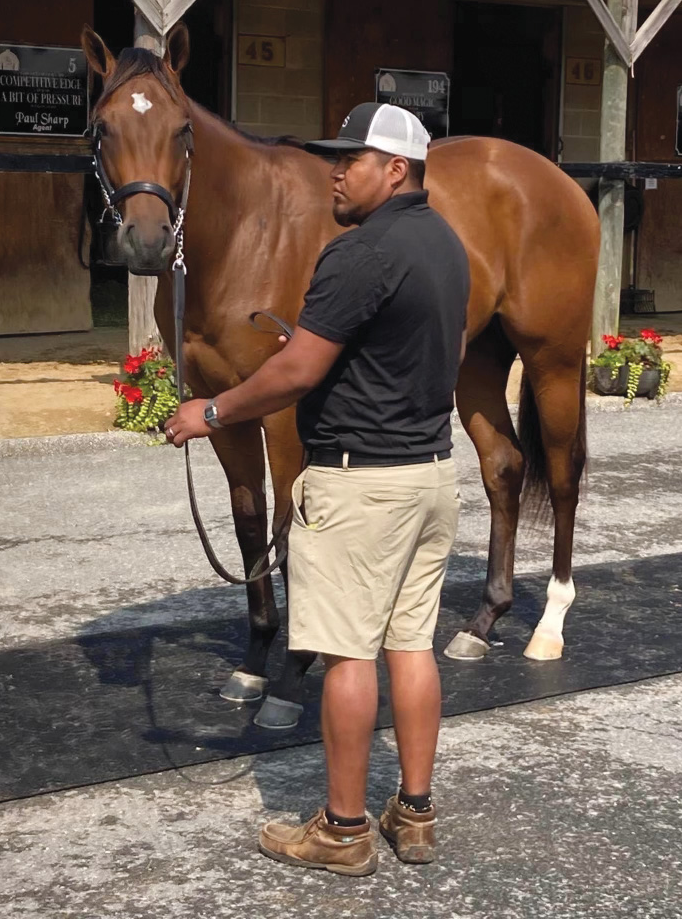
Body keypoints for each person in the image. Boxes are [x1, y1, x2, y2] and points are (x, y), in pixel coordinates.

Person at [165, 102, 470, 877]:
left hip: (359, 484)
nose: (334, 170)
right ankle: (417, 812)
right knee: (411, 645)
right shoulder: (445, 244)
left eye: (352, 159)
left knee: (345, 657)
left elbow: (298, 369)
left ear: (395, 168)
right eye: (335, 156)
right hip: (431, 473)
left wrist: (214, 410)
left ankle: (341, 830)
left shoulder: (357, 254)